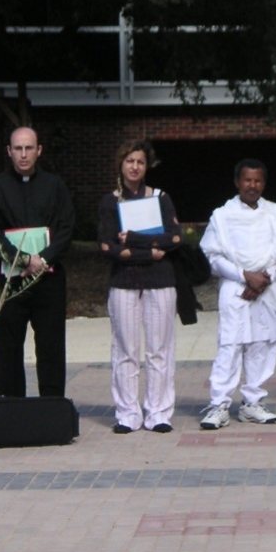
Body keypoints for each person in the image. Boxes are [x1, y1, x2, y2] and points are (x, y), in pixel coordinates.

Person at [198, 159, 276, 429]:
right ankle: (219, 405)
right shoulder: (222, 215)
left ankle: (252, 402)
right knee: (230, 345)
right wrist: (245, 276)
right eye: (247, 180)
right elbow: (212, 255)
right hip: (235, 288)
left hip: (267, 288)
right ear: (237, 182)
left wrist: (265, 279)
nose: (252, 185)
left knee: (262, 345)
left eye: (257, 181)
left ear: (264, 183)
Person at [0, 125, 75, 398]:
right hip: (10, 281)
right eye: (18, 149)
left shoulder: (54, 186)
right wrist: (22, 260)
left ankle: (52, 408)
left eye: (29, 148)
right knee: (8, 348)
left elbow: (66, 228)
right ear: (9, 152)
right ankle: (11, 411)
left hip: (49, 278)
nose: (23, 154)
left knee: (51, 346)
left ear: (39, 151)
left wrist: (42, 259)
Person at [97, 140, 182, 433]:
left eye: (141, 162)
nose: (135, 167)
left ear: (147, 166)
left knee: (159, 349)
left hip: (160, 282)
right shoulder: (111, 202)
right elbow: (107, 245)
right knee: (126, 349)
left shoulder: (161, 198)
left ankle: (158, 412)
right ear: (121, 164)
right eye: (130, 161)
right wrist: (150, 250)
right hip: (124, 283)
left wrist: (132, 239)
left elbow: (174, 239)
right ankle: (128, 414)